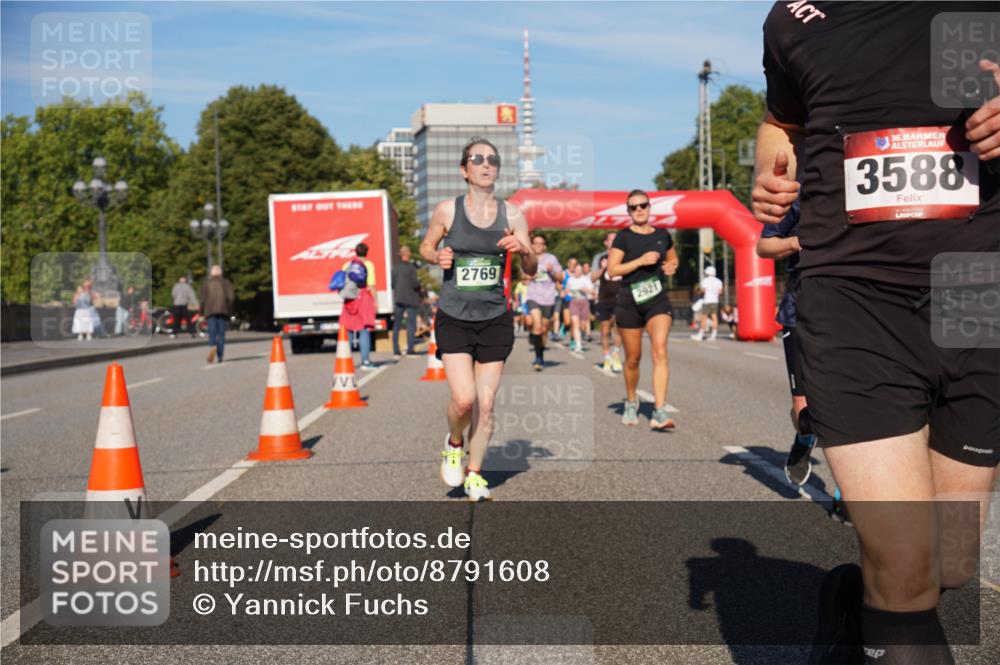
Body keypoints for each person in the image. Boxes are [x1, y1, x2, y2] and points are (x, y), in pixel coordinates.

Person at [755, 5, 999, 663]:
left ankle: (849, 607)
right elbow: (784, 121)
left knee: (948, 564)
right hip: (855, 302)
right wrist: (769, 167)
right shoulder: (795, 17)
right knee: (905, 568)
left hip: (977, 298)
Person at [419, 137, 537, 501]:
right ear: (464, 169)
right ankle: (455, 443)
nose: (487, 165)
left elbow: (529, 269)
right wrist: (435, 256)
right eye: (478, 159)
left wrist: (524, 249)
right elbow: (426, 245)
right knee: (464, 400)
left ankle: (474, 473)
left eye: (493, 159)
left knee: (486, 406)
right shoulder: (447, 211)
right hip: (455, 316)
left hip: (494, 318)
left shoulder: (513, 214)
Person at [608, 189, 680, 430]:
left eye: (643, 205)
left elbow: (672, 258)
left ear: (649, 207)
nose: (639, 209)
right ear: (628, 211)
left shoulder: (662, 235)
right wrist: (639, 261)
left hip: (656, 300)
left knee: (659, 350)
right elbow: (613, 270)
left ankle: (659, 410)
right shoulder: (623, 237)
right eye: (634, 207)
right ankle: (631, 401)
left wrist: (671, 266)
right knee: (632, 358)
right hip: (629, 301)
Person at [524, 234, 563, 371]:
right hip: (533, 296)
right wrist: (529, 275)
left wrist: (552, 270)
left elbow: (561, 277)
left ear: (545, 245)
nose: (538, 245)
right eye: (536, 243)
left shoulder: (552, 259)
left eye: (541, 243)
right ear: (532, 245)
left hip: (549, 298)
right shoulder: (528, 257)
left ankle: (537, 344)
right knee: (537, 325)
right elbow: (523, 276)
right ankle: (538, 358)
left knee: (544, 330)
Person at [340, 243, 378, 370]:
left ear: (356, 252)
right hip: (363, 297)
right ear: (367, 252)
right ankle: (365, 361)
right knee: (364, 329)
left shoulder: (347, 265)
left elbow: (343, 282)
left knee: (348, 330)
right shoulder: (368, 265)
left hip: (349, 299)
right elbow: (371, 285)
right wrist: (375, 301)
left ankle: (346, 361)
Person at [592, 231, 624, 373]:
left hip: (621, 298)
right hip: (604, 298)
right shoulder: (599, 258)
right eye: (611, 239)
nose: (614, 241)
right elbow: (593, 278)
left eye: (616, 239)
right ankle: (606, 357)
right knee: (605, 329)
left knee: (619, 327)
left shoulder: (625, 256)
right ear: (606, 242)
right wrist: (603, 267)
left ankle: (616, 353)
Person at [199, 265, 235, 364]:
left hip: (210, 311)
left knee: (212, 332)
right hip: (223, 311)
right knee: (221, 334)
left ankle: (212, 345)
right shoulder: (226, 283)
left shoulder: (206, 283)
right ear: (221, 273)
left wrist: (201, 312)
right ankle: (220, 356)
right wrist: (229, 309)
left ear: (211, 273)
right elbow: (231, 298)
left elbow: (202, 299)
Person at [392, 246, 421, 358]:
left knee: (397, 325)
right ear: (407, 254)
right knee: (411, 325)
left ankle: (396, 350)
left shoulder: (395, 268)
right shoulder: (411, 268)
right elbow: (415, 284)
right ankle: (410, 349)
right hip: (411, 299)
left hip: (398, 298)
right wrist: (419, 288)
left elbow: (392, 284)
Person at [565, 262, 594, 352]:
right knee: (575, 323)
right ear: (574, 271)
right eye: (576, 270)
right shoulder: (570, 280)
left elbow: (592, 291)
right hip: (574, 302)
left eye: (580, 270)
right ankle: (578, 345)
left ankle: (582, 334)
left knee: (583, 325)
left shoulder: (586, 279)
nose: (578, 272)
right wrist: (566, 292)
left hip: (584, 302)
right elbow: (566, 291)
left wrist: (586, 290)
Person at [692, 265, 723, 341]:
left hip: (707, 300)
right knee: (714, 317)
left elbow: (703, 291)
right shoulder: (719, 281)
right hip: (715, 301)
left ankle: (700, 334)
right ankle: (714, 335)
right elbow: (720, 292)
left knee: (704, 318)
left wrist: (699, 292)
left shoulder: (705, 281)